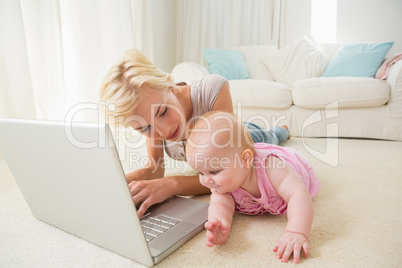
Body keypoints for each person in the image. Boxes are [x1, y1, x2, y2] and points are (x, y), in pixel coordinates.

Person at [99, 49, 290, 218]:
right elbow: (154, 169)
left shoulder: (211, 90)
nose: (163, 131)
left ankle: (282, 130)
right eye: (144, 128)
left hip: (246, 139)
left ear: (170, 87)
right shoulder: (151, 117)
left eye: (163, 112)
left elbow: (232, 173)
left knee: (270, 137)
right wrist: (120, 183)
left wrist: (172, 184)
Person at [185, 111, 320, 264]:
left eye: (214, 171)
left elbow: (298, 194)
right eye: (200, 172)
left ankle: (283, 130)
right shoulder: (220, 184)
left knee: (275, 136)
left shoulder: (273, 167)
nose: (206, 180)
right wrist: (220, 225)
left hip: (290, 163)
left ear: (245, 159)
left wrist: (296, 231)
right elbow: (219, 204)